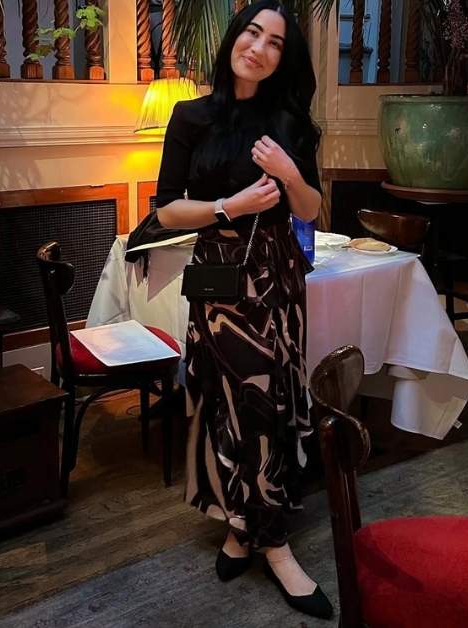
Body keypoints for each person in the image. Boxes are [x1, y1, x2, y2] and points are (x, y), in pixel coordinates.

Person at [154, 2, 332, 619]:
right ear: (234, 39)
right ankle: (270, 540)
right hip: (219, 280)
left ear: (283, 58)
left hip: (276, 277)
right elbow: (166, 211)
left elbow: (309, 208)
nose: (259, 48)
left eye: (275, 42)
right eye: (252, 33)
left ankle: (248, 533)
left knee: (272, 399)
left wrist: (288, 172)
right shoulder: (191, 116)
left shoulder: (289, 121)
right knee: (230, 402)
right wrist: (229, 206)